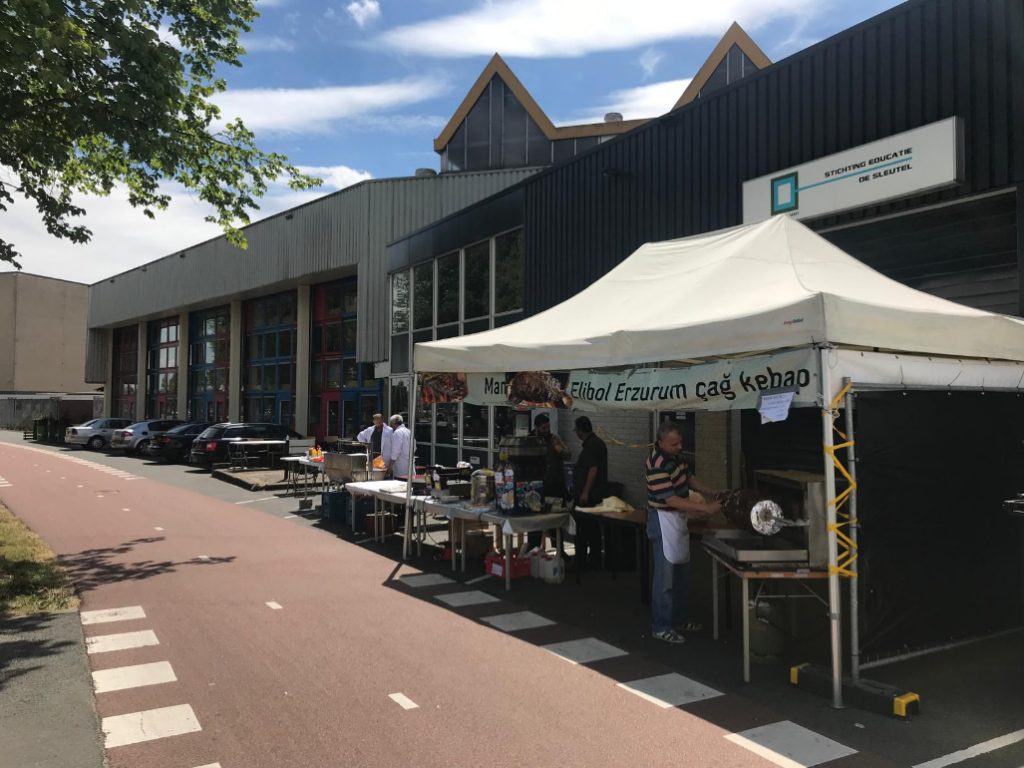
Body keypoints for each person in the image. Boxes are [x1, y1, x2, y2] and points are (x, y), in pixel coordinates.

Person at [645, 420, 723, 645]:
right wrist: (705, 508)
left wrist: (712, 492)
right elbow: (671, 499)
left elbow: (689, 478)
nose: (679, 447)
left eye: (680, 442)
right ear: (661, 443)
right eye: (674, 444)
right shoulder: (656, 463)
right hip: (662, 519)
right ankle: (661, 626)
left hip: (678, 520)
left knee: (680, 575)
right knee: (664, 579)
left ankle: (678, 618)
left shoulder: (677, 457)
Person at [527, 413, 571, 550]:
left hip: (555, 483)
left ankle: (558, 548)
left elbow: (568, 455)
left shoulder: (554, 438)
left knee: (555, 517)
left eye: (548, 427)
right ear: (536, 427)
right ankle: (533, 547)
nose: (547, 430)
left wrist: (559, 449)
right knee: (535, 518)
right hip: (536, 485)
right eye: (544, 428)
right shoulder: (529, 439)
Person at [571, 416, 607, 566]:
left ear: (580, 431)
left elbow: (593, 469)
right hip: (594, 492)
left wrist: (585, 492)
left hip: (589, 495)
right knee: (592, 528)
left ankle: (584, 561)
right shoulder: (596, 443)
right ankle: (594, 559)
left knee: (584, 528)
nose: (575, 433)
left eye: (575, 430)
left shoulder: (592, 445)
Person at [387, 414, 413, 480]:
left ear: (393, 423)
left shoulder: (397, 432)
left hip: (401, 465)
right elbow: (414, 447)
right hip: (410, 462)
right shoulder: (408, 431)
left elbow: (396, 451)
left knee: (401, 483)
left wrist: (390, 466)